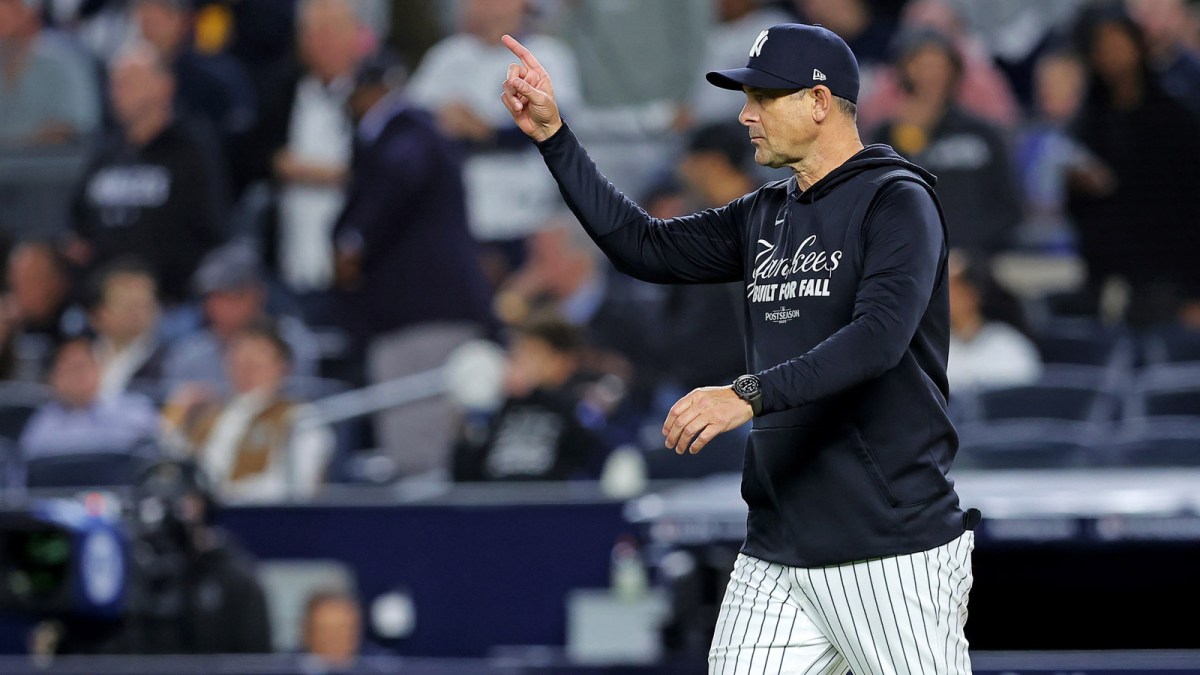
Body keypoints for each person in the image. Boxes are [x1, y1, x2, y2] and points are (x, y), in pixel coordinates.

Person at [501, 22, 976, 673]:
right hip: (778, 545)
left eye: (763, 97)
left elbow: (877, 341)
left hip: (889, 546)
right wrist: (556, 139)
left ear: (818, 101)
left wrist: (746, 393)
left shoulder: (896, 200)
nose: (746, 114)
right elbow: (644, 245)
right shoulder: (763, 214)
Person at [332, 51, 494, 480]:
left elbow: (405, 170)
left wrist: (356, 238)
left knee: (420, 457)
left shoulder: (407, 131)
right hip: (426, 313)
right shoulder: (415, 130)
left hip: (422, 315)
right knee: (422, 452)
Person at [68, 40, 228, 307]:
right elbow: (78, 227)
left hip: (171, 302)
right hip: (104, 304)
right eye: (114, 83)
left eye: (128, 81)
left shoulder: (192, 149)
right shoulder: (106, 154)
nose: (117, 92)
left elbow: (210, 230)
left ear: (164, 86)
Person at [161, 318, 334, 502]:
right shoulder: (214, 414)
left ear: (282, 367)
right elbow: (177, 464)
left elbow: (297, 488)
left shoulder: (299, 417)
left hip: (258, 516)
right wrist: (174, 416)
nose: (245, 367)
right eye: (238, 359)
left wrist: (220, 497)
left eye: (255, 361)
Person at [18, 335, 160, 460]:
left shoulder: (135, 410)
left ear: (99, 368)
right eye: (68, 370)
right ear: (52, 379)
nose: (78, 377)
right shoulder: (41, 426)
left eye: (82, 366)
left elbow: (157, 456)